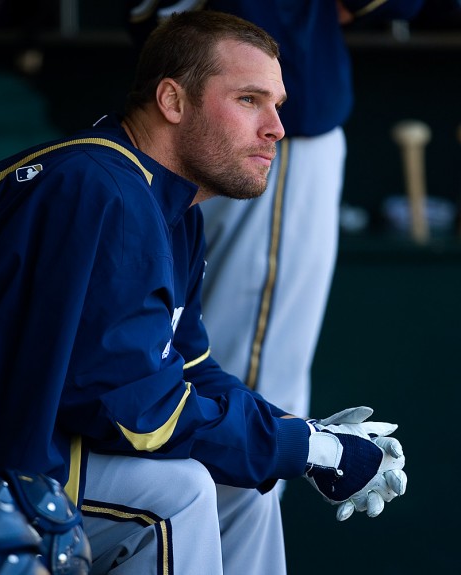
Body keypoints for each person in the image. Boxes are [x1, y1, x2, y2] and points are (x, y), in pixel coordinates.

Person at [0, 11, 407, 575]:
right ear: (173, 101)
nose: (277, 126)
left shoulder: (170, 208)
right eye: (250, 100)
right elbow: (141, 415)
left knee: (243, 491)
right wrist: (307, 451)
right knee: (176, 493)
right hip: (0, 465)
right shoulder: (103, 186)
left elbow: (192, 371)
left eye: (277, 104)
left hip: (29, 447)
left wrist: (298, 434)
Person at [154, 0, 422, 419]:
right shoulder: (272, 122)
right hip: (269, 133)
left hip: (177, 114)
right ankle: (240, 474)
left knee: (183, 339)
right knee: (251, 370)